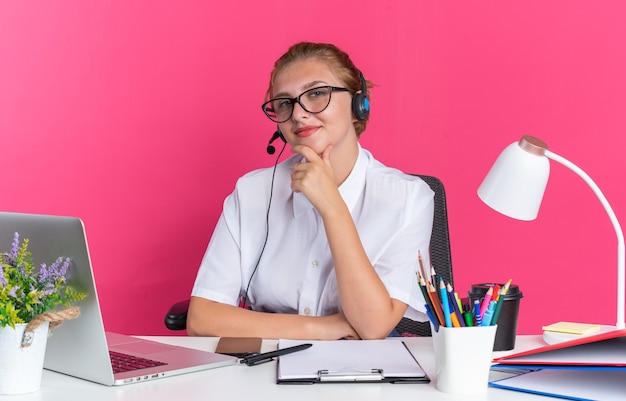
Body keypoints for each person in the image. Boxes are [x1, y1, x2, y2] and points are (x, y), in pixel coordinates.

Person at [187, 42, 434, 340]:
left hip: (359, 370)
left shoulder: (408, 199)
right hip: (265, 360)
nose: (299, 114)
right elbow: (201, 318)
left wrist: (332, 207)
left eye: (317, 94)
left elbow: (372, 328)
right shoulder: (252, 191)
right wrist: (324, 328)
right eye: (284, 103)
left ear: (359, 105)